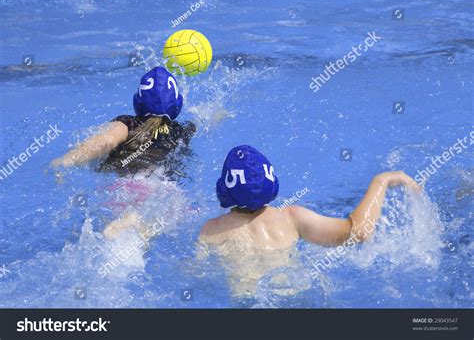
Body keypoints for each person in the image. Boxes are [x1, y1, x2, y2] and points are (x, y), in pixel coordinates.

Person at [198, 145, 421, 295]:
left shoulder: (211, 230)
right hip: (294, 295)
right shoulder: (291, 218)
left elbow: (196, 273)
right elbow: (360, 232)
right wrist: (381, 181)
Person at [52, 66, 196, 177]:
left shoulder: (128, 124)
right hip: (165, 189)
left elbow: (107, 142)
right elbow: (205, 122)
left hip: (130, 186)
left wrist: (66, 161)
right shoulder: (181, 131)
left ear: (138, 101)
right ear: (177, 104)